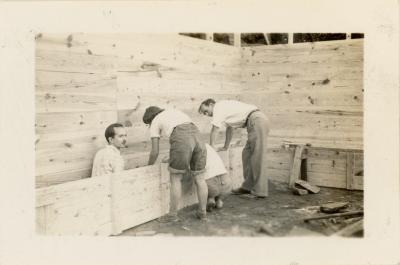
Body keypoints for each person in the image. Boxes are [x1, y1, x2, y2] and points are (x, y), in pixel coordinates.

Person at [142, 106, 208, 221]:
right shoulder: (173, 112)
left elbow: (155, 152)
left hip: (181, 138)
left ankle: (172, 215)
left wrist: (149, 167)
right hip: (198, 136)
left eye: (148, 124)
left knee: (175, 178)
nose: (149, 126)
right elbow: (187, 135)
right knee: (200, 178)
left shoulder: (155, 121)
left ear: (150, 120)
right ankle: (202, 213)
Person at [198, 99, 270, 199]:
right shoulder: (224, 110)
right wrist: (226, 146)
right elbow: (230, 129)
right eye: (204, 114)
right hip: (253, 122)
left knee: (258, 157)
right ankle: (247, 187)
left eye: (206, 111)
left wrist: (211, 148)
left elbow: (215, 129)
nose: (207, 114)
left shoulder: (218, 107)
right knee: (247, 154)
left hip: (257, 120)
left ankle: (260, 192)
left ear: (211, 104)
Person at [204, 144, 231, 212]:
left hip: (211, 183)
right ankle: (219, 201)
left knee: (200, 181)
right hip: (226, 181)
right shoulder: (208, 146)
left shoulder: (196, 149)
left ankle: (211, 199)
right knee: (221, 189)